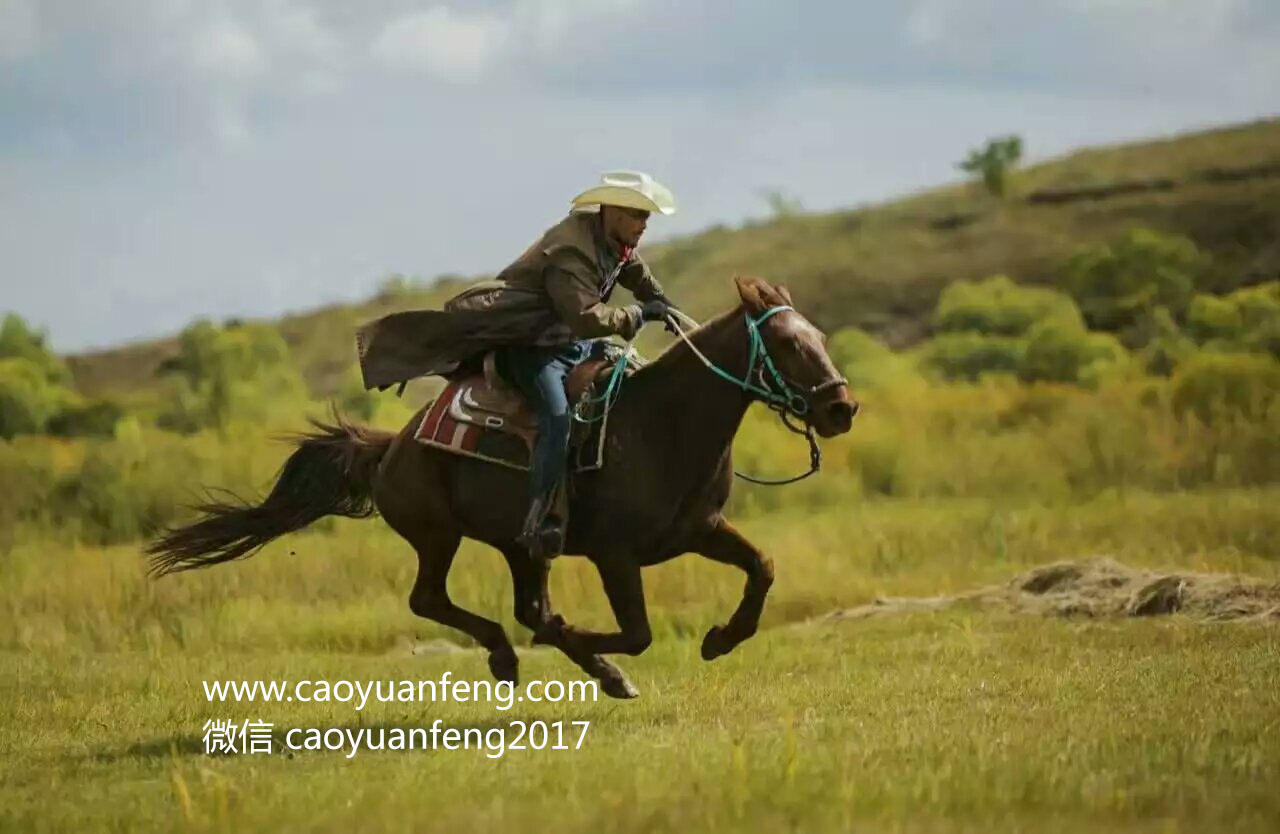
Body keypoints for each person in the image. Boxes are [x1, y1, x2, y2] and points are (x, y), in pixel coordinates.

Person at [355, 170, 678, 556]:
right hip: (530, 349)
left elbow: (637, 274)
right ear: (612, 211)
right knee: (557, 417)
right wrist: (639, 314)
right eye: (639, 215)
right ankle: (540, 517)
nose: (644, 225)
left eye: (647, 217)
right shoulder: (569, 251)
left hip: (567, 345)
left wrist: (667, 306)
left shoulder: (614, 241)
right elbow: (586, 318)